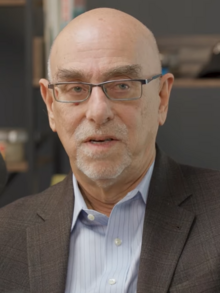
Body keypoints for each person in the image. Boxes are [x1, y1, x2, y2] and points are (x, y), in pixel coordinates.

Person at [0, 8, 220, 293]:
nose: (98, 112)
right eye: (75, 88)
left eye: (122, 85)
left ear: (162, 99)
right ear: (51, 106)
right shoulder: (6, 234)